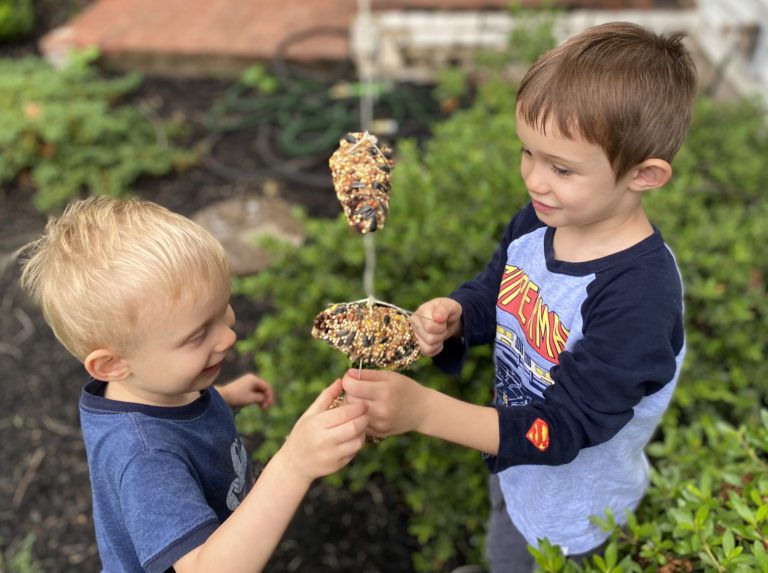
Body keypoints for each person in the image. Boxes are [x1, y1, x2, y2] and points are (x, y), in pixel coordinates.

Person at [342, 21, 696, 572]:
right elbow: (498, 289)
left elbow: (560, 428)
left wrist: (424, 411)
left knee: (521, 556)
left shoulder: (639, 298)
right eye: (527, 153)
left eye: (561, 167)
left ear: (644, 175)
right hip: (514, 461)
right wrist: (459, 314)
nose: (534, 179)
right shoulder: (540, 221)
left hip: (574, 515)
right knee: (503, 532)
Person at [19, 196, 368, 573]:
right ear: (113, 364)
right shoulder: (145, 459)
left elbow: (171, 418)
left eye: (224, 309)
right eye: (198, 334)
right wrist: (293, 466)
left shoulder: (154, 383)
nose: (227, 337)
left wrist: (224, 398)